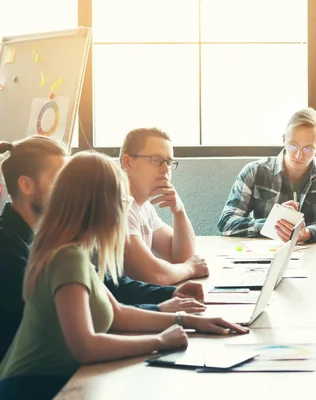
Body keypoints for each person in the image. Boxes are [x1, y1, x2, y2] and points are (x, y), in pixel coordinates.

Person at [0, 151, 248, 399]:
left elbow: (117, 314)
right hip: (31, 389)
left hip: (53, 383)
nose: (123, 210)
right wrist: (160, 342)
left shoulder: (76, 252)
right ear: (99, 205)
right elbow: (85, 346)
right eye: (122, 201)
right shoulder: (68, 258)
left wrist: (188, 320)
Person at [0, 137, 207, 361]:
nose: (69, 190)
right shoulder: (8, 247)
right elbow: (78, 326)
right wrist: (161, 334)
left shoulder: (56, 239)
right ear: (26, 185)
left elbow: (106, 289)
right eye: (61, 180)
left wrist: (171, 302)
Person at [217, 107, 316, 243]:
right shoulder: (254, 171)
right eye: (293, 145)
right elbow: (226, 222)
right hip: (264, 255)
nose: (298, 155)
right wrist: (272, 224)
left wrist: (306, 233)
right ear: (284, 139)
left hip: (313, 256)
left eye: (308, 148)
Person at [120, 128, 209, 285]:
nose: (166, 169)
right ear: (127, 162)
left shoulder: (144, 206)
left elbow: (182, 256)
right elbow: (153, 275)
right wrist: (190, 269)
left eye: (168, 162)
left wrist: (179, 211)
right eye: (156, 160)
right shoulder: (119, 206)